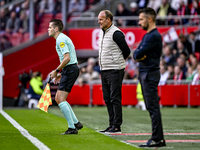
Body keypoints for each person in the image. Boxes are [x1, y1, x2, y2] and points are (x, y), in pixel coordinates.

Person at [133, 8, 166, 147]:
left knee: (152, 107)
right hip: (146, 74)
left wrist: (139, 54)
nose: (139, 22)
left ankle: (157, 138)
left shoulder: (153, 36)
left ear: (150, 19)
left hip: (150, 74)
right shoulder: (148, 36)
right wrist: (139, 54)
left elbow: (138, 54)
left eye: (141, 19)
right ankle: (158, 137)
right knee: (151, 107)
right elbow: (136, 54)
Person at [48, 19, 83, 134]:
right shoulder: (62, 38)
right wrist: (61, 74)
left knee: (59, 99)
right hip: (70, 69)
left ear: (56, 29)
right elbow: (69, 59)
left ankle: (72, 128)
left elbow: (67, 58)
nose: (48, 29)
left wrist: (56, 71)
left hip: (70, 69)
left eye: (50, 27)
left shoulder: (60, 39)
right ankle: (76, 123)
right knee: (60, 98)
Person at [98, 10, 130, 133]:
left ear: (108, 20)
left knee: (114, 97)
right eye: (99, 19)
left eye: (101, 19)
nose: (99, 21)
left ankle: (117, 126)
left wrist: (116, 62)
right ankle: (112, 124)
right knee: (107, 98)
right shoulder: (103, 32)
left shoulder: (116, 33)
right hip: (104, 69)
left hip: (115, 69)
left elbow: (126, 51)